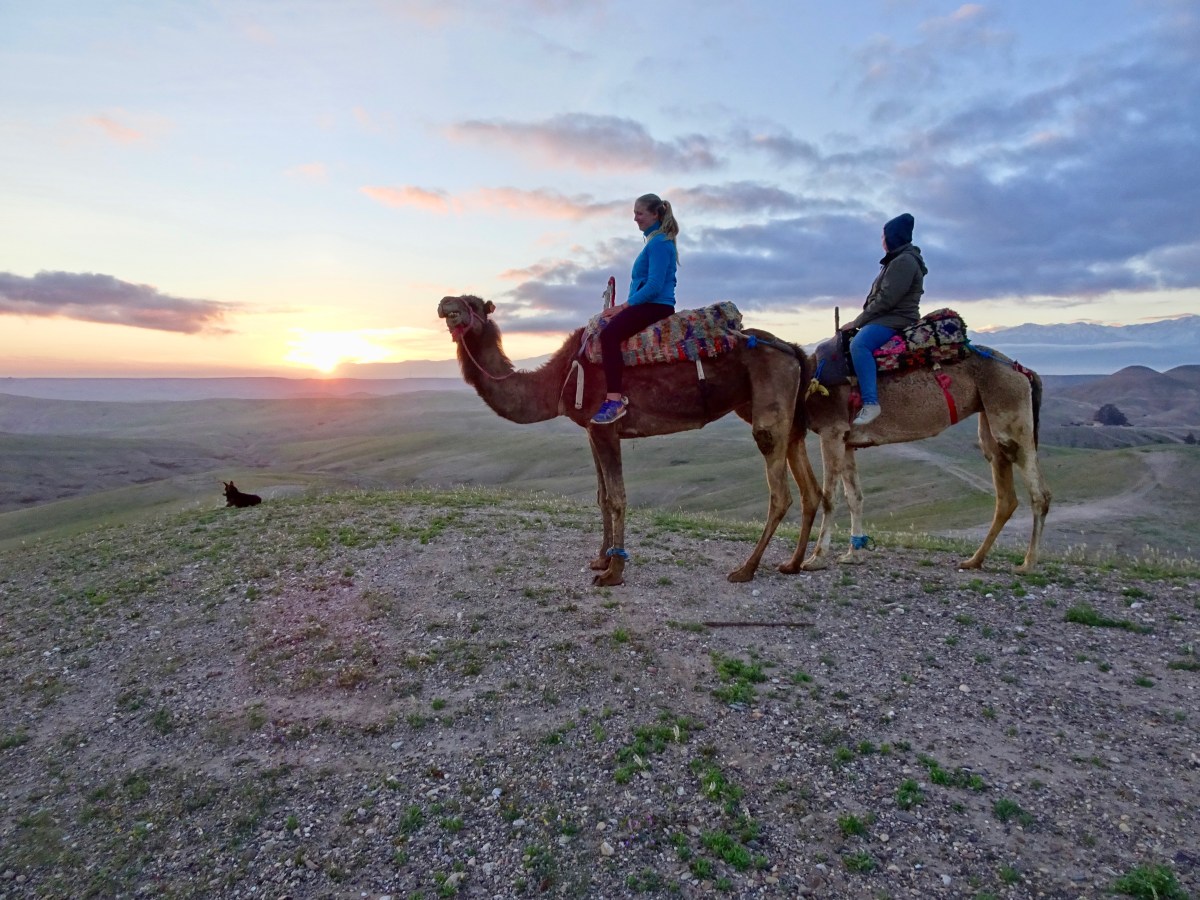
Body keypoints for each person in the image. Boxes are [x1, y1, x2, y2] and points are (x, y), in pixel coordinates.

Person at [590, 193, 679, 424]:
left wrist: (623, 307)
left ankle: (614, 400)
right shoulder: (655, 241)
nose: (635, 219)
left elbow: (654, 286)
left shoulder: (659, 243)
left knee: (609, 336)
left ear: (655, 214)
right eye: (634, 214)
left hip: (655, 305)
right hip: (651, 304)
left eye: (639, 213)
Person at [841, 212, 927, 426]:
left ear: (893, 237)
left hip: (896, 318)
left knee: (859, 345)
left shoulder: (904, 262)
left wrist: (857, 322)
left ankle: (871, 403)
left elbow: (886, 300)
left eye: (883, 236)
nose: (882, 241)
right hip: (888, 317)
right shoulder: (897, 260)